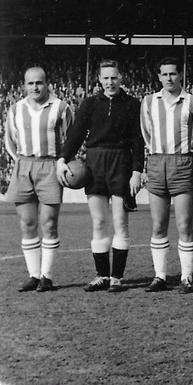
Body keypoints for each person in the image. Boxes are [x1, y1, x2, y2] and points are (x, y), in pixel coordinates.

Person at [57, 59, 144, 293]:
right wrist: (62, 159)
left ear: (121, 78)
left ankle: (117, 277)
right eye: (105, 78)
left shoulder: (132, 104)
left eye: (114, 77)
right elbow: (76, 135)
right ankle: (102, 275)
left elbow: (138, 140)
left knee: (120, 222)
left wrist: (137, 171)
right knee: (98, 222)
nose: (110, 82)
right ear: (99, 79)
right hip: (95, 163)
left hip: (121, 162)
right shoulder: (89, 104)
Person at [5, 66, 73, 292]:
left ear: (47, 84)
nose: (35, 87)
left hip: (50, 166)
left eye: (39, 82)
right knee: (27, 223)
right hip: (24, 165)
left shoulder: (61, 107)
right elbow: (10, 140)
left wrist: (61, 162)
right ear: (24, 85)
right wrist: (20, 161)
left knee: (49, 222)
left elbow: (71, 139)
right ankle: (34, 275)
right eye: (30, 83)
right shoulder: (16, 109)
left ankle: (47, 277)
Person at [140, 57, 193, 294]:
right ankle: (160, 276)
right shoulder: (149, 102)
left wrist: (191, 155)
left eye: (173, 73)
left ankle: (186, 277)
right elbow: (147, 133)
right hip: (157, 162)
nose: (169, 78)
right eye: (165, 74)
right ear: (159, 76)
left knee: (184, 224)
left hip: (182, 162)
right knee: (158, 224)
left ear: (180, 75)